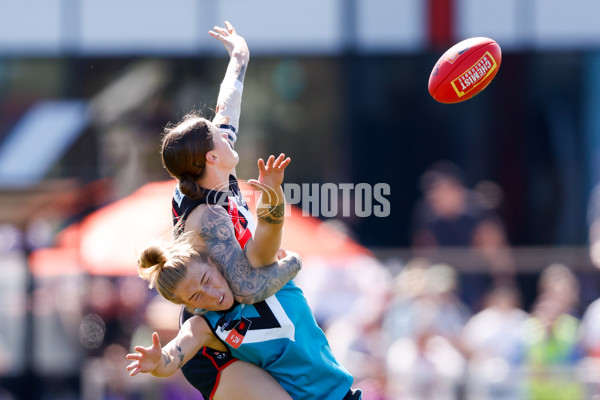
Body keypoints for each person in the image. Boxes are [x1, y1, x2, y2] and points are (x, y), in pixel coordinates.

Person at [153, 21, 303, 400]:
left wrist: (239, 56)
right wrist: (293, 264)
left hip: (235, 327)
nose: (228, 130)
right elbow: (246, 289)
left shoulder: (214, 167)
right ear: (211, 156)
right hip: (212, 348)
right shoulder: (207, 216)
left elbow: (226, 104)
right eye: (220, 133)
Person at [126, 235, 362, 400]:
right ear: (188, 306)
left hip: (343, 392)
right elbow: (173, 355)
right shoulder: (204, 325)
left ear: (212, 262)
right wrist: (158, 363)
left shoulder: (260, 269)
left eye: (207, 280)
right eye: (196, 296)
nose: (211, 294)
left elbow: (271, 229)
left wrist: (272, 191)